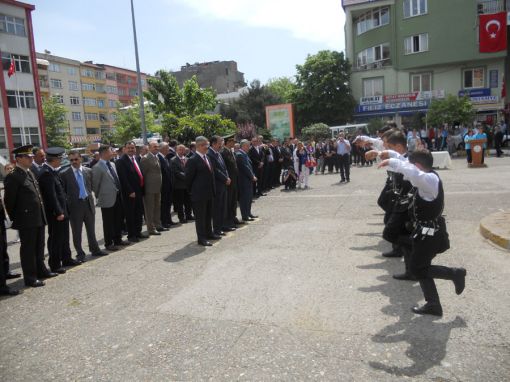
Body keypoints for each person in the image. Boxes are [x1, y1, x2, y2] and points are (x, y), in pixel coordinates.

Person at [379, 149, 466, 316]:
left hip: (430, 235)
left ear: (418, 165)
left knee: (418, 269)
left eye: (412, 166)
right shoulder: (428, 176)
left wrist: (391, 162)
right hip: (425, 233)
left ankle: (454, 273)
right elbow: (407, 165)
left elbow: (411, 172)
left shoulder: (428, 180)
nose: (408, 170)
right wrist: (387, 154)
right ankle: (433, 305)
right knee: (418, 264)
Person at [4, 145, 57, 288]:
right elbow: (9, 201)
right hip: (26, 219)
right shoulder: (13, 176)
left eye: (31, 157)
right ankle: (30, 277)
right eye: (27, 157)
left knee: (39, 245)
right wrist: (18, 217)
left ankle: (41, 270)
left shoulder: (29, 173)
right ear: (19, 159)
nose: (30, 159)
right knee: (28, 249)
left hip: (37, 216)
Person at [38, 147, 80, 273]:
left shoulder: (52, 171)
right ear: (54, 159)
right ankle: (55, 264)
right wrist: (59, 212)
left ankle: (66, 258)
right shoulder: (46, 173)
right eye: (60, 159)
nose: (61, 161)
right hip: (56, 213)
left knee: (64, 237)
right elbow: (51, 196)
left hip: (62, 210)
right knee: (56, 239)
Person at [60, 150, 107, 261]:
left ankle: (95, 249)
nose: (74, 162)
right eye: (71, 160)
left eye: (76, 159)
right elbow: (64, 192)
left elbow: (90, 186)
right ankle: (80, 253)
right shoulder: (64, 174)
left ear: (80, 158)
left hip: (88, 203)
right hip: (75, 207)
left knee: (91, 229)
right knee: (77, 232)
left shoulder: (88, 171)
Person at [92, 145, 128, 251]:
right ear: (104, 153)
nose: (112, 152)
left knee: (118, 219)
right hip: (106, 199)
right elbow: (95, 186)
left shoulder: (112, 164)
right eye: (110, 151)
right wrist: (101, 196)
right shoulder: (97, 167)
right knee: (108, 222)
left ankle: (118, 239)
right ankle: (109, 243)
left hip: (117, 196)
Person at [185, 136, 218, 246]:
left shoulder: (207, 157)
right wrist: (192, 192)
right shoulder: (193, 160)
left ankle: (209, 233)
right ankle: (202, 238)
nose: (207, 147)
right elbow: (188, 179)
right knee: (200, 217)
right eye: (205, 145)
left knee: (208, 215)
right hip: (198, 195)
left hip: (208, 193)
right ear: (198, 146)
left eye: (207, 144)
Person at [116, 141, 147, 243]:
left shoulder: (137, 158)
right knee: (131, 215)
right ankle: (131, 235)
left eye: (132, 148)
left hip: (139, 190)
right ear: (125, 149)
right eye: (129, 148)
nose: (131, 150)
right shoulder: (121, 161)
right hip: (130, 193)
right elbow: (123, 179)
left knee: (139, 213)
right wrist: (130, 191)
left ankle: (138, 232)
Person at [207, 135, 233, 236]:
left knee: (223, 207)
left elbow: (224, 167)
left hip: (223, 184)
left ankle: (222, 226)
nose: (221, 144)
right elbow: (215, 170)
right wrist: (225, 178)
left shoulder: (218, 153)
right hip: (217, 185)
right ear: (213, 144)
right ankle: (217, 229)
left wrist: (227, 177)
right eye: (219, 142)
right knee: (217, 208)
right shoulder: (210, 154)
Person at [140, 141, 166, 235]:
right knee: (149, 209)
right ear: (149, 147)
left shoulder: (157, 157)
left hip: (157, 187)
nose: (157, 148)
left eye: (157, 147)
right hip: (149, 188)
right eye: (154, 146)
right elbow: (143, 174)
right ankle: (151, 228)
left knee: (157, 207)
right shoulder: (145, 158)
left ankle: (158, 225)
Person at [221, 135, 241, 228]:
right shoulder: (223, 152)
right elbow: (224, 168)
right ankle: (229, 220)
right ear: (227, 142)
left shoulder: (230, 151)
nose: (234, 143)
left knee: (233, 200)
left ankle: (233, 217)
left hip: (235, 180)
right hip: (229, 181)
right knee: (229, 201)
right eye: (232, 141)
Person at [170, 145, 194, 223]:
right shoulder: (173, 160)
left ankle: (189, 215)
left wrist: (189, 177)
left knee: (188, 201)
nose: (181, 151)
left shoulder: (188, 159)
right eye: (179, 149)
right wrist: (187, 177)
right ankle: (181, 217)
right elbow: (176, 172)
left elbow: (190, 170)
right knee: (180, 203)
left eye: (183, 149)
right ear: (176, 150)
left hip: (187, 185)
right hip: (179, 185)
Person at [236, 139, 257, 222]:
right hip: (243, 180)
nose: (249, 147)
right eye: (247, 145)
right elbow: (245, 167)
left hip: (248, 179)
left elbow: (249, 166)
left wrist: (252, 175)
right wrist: (252, 176)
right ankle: (245, 215)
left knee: (249, 197)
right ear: (243, 146)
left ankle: (248, 213)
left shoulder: (244, 154)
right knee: (244, 199)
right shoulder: (239, 154)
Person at [157, 142, 177, 228]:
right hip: (163, 186)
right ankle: (164, 221)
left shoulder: (165, 158)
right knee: (164, 205)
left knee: (168, 204)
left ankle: (169, 220)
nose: (168, 149)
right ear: (161, 149)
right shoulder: (158, 158)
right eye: (167, 148)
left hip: (169, 185)